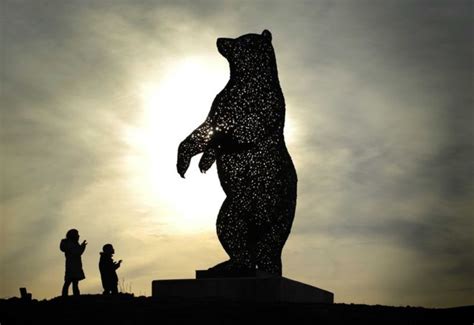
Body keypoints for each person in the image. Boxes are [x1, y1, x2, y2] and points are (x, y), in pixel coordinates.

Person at [60, 229, 87, 296]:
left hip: (76, 265)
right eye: (76, 234)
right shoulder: (68, 243)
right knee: (68, 282)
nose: (78, 235)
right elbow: (77, 252)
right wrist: (82, 247)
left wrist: (82, 246)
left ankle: (75, 296)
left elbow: (78, 252)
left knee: (74, 282)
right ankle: (65, 296)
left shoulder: (73, 243)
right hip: (71, 265)